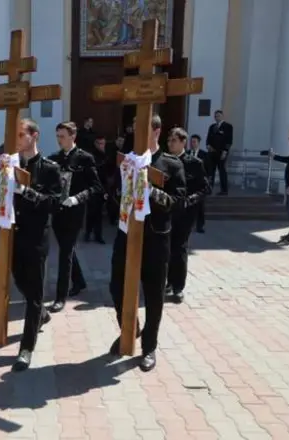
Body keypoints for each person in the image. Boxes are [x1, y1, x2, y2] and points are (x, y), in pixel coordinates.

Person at [108, 115, 186, 372]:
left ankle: (149, 346)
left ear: (157, 131)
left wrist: (150, 190)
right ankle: (130, 328)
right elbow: (113, 192)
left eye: (144, 128)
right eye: (135, 128)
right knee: (116, 286)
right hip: (126, 233)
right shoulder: (127, 160)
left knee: (153, 295)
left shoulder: (170, 164)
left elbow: (178, 201)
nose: (137, 133)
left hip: (156, 237)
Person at [6, 119, 62, 371]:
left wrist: (27, 192)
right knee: (19, 278)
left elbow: (55, 203)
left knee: (35, 292)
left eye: (21, 134)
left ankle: (26, 347)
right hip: (13, 234)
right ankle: (40, 312)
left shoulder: (49, 168)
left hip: (37, 235)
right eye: (15, 134)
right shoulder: (11, 163)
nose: (17, 139)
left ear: (34, 136)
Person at [47, 121, 102, 313]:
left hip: (75, 211)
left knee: (65, 253)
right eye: (57, 136)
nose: (59, 140)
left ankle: (60, 297)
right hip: (57, 211)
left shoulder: (85, 158)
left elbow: (96, 187)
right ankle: (79, 281)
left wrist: (77, 198)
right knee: (66, 248)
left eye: (62, 136)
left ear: (73, 136)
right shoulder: (53, 158)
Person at [165, 129, 210, 304]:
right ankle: (168, 281)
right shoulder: (165, 161)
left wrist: (190, 200)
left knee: (179, 247)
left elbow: (205, 188)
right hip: (168, 211)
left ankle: (178, 287)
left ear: (183, 142)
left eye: (174, 140)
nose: (170, 144)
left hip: (186, 213)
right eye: (169, 140)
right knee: (167, 248)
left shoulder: (194, 163)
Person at [85, 136, 109, 243]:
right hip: (93, 187)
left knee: (99, 213)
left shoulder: (106, 155)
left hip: (103, 188)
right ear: (95, 144)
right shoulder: (92, 156)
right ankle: (88, 233)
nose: (101, 146)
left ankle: (98, 235)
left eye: (103, 143)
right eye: (99, 143)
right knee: (91, 212)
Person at [205, 110, 233, 195]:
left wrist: (225, 151)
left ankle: (224, 190)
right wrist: (208, 145)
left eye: (218, 116)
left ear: (222, 116)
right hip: (212, 152)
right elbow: (208, 138)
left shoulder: (228, 126)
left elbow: (229, 140)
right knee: (211, 171)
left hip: (222, 152)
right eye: (215, 116)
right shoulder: (212, 126)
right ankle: (209, 189)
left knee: (222, 171)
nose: (217, 117)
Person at [188, 134, 208, 233]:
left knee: (200, 207)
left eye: (194, 142)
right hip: (189, 184)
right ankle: (188, 224)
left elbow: (208, 169)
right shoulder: (187, 153)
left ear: (199, 143)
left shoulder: (204, 155)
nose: (192, 144)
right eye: (191, 142)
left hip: (199, 184)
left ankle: (200, 226)